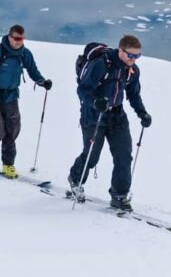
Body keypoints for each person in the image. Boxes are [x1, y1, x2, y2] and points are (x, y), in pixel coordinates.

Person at [67, 34, 152, 212]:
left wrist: (142, 113)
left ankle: (119, 196)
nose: (134, 59)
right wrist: (95, 102)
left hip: (117, 115)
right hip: (94, 115)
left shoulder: (132, 71)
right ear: (120, 50)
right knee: (92, 155)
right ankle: (75, 180)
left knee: (124, 156)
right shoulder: (102, 64)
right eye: (131, 55)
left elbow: (134, 94)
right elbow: (83, 89)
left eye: (137, 56)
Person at [0, 24, 51, 179]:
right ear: (9, 37)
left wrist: (42, 82)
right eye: (16, 38)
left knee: (13, 130)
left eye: (22, 38)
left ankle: (8, 165)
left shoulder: (25, 54)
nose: (19, 42)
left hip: (11, 96)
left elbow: (33, 71)